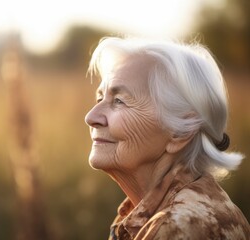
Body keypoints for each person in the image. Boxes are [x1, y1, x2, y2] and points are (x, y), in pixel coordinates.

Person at [84, 37, 250, 240]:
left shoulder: (178, 228)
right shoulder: (164, 213)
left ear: (179, 133)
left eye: (119, 101)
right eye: (100, 98)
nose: (91, 117)